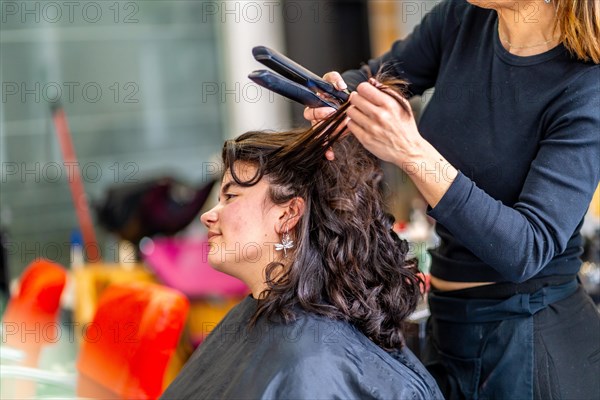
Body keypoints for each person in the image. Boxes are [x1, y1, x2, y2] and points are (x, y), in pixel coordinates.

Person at [305, 0, 600, 399]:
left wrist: (412, 152)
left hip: (530, 343)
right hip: (448, 327)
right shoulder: (463, 18)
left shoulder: (587, 87)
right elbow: (375, 80)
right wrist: (337, 101)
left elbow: (525, 250)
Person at [160, 80, 443, 399]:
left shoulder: (313, 364)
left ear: (288, 214)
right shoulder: (266, 322)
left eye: (231, 196)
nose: (208, 215)